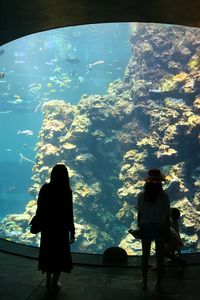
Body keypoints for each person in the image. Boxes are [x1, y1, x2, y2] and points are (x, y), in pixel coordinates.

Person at [35, 164, 75, 291]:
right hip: (61, 229)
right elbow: (69, 214)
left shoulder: (45, 188)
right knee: (59, 255)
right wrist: (72, 231)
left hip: (47, 228)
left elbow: (39, 207)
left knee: (48, 253)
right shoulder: (67, 191)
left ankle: (47, 282)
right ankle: (54, 284)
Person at [137, 168, 170, 293]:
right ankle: (158, 284)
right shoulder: (164, 195)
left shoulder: (141, 195)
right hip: (160, 226)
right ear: (160, 182)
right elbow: (167, 215)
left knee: (145, 256)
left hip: (146, 226)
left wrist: (139, 227)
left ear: (147, 182)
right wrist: (167, 231)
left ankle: (144, 282)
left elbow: (139, 214)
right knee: (159, 257)